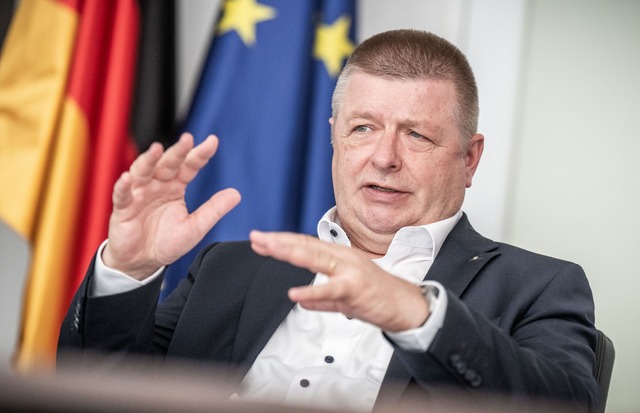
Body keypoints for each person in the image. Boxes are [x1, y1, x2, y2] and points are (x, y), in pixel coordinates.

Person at [58, 29, 600, 412]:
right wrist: (128, 269)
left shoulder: (538, 285)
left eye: (417, 135)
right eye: (363, 128)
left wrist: (417, 315)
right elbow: (98, 387)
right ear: (334, 137)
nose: (384, 158)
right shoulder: (229, 268)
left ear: (469, 159)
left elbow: (567, 404)